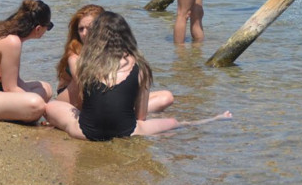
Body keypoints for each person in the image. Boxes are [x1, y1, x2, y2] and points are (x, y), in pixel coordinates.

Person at [45, 11, 231, 140]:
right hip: (127, 131)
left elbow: (87, 101)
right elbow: (140, 116)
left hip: (86, 133)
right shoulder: (140, 66)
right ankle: (214, 119)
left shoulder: (85, 62)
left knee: (52, 107)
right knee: (173, 122)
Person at [55, 4, 174, 113]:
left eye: (90, 28)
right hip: (73, 97)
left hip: (103, 96)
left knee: (166, 97)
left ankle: (121, 113)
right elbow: (84, 85)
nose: (85, 33)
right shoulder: (75, 54)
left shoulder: (112, 49)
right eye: (81, 29)